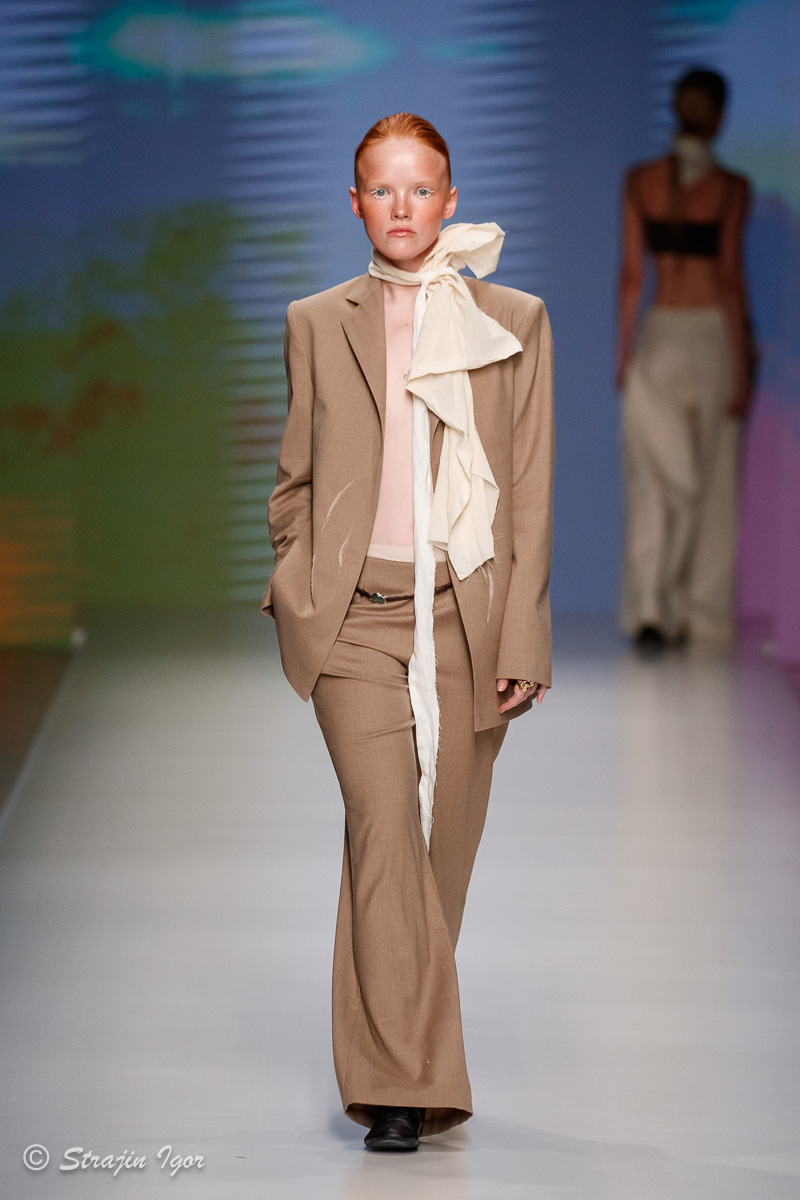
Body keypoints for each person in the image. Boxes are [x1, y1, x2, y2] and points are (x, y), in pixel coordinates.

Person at [262, 113, 554, 1152]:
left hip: (465, 616)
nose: (401, 207)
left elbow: (528, 491)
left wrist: (522, 637)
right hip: (352, 621)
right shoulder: (315, 320)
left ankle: (395, 1056)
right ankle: (402, 1089)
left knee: (437, 856)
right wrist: (296, 577)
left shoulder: (512, 320)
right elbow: (295, 477)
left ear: (449, 199)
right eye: (380, 189)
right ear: (354, 203)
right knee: (384, 827)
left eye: (420, 188)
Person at [616, 68, 754, 648]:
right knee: (712, 481)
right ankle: (702, 618)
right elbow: (729, 279)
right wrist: (742, 365)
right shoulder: (731, 189)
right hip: (712, 337)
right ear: (718, 116)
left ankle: (651, 607)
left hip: (659, 336)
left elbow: (631, 277)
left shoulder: (640, 181)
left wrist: (624, 355)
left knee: (654, 478)